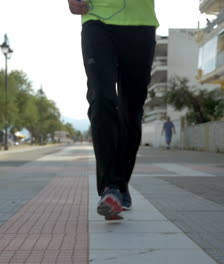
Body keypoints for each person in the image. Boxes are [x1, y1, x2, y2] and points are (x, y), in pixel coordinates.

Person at [67, 0, 159, 220]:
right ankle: (110, 187)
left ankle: (120, 184)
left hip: (140, 23)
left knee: (131, 109)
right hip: (96, 19)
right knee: (101, 96)